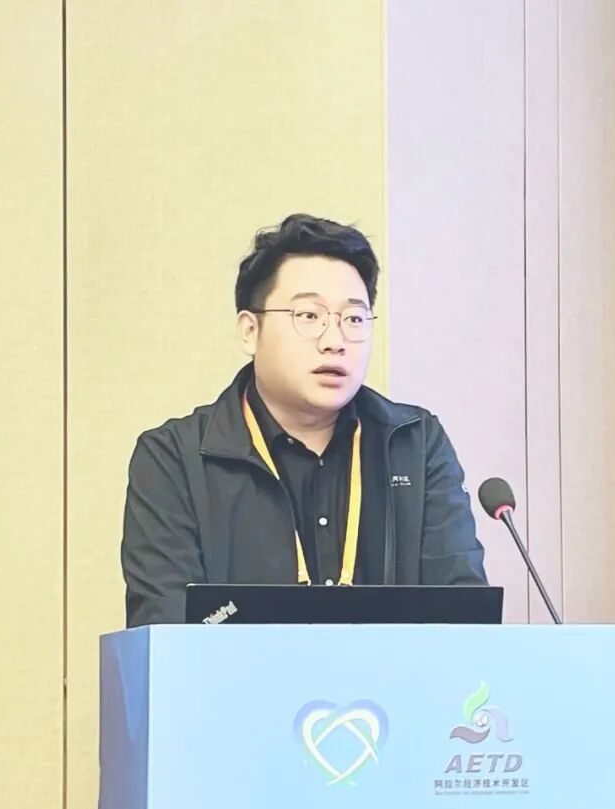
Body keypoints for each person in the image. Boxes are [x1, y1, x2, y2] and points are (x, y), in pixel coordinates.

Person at [120, 213, 488, 627]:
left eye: (354, 319)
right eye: (309, 316)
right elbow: (167, 629)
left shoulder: (414, 445)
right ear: (250, 331)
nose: (334, 341)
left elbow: (463, 618)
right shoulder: (174, 460)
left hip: (397, 674)